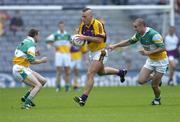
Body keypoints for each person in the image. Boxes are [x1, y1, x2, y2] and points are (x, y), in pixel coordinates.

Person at [73, 8, 127, 107]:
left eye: (84, 16)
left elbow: (99, 39)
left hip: (101, 51)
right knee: (101, 72)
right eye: (82, 16)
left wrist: (85, 38)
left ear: (90, 16)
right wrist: (77, 41)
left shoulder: (97, 24)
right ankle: (120, 72)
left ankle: (83, 98)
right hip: (92, 52)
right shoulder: (82, 25)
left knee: (90, 73)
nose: (83, 18)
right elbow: (82, 39)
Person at [109, 18, 169, 105]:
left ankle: (157, 99)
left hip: (161, 62)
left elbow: (163, 48)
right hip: (151, 60)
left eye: (136, 27)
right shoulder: (139, 34)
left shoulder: (154, 34)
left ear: (142, 26)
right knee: (140, 81)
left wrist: (148, 52)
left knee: (154, 85)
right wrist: (115, 46)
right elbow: (129, 41)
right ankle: (154, 77)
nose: (134, 29)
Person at [12, 29, 48, 109]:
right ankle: (26, 104)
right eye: (38, 35)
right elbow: (31, 61)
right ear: (35, 35)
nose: (39, 37)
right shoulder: (31, 44)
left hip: (23, 67)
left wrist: (35, 53)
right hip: (20, 68)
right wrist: (42, 61)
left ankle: (26, 97)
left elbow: (23, 54)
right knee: (38, 85)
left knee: (43, 81)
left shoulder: (26, 41)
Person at [46, 21, 71, 92]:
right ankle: (58, 86)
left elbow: (72, 42)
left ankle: (67, 86)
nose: (61, 27)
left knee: (67, 71)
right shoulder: (55, 35)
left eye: (62, 26)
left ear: (64, 26)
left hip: (67, 54)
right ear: (58, 27)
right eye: (60, 26)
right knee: (58, 71)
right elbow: (47, 40)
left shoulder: (68, 35)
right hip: (59, 54)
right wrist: (52, 46)